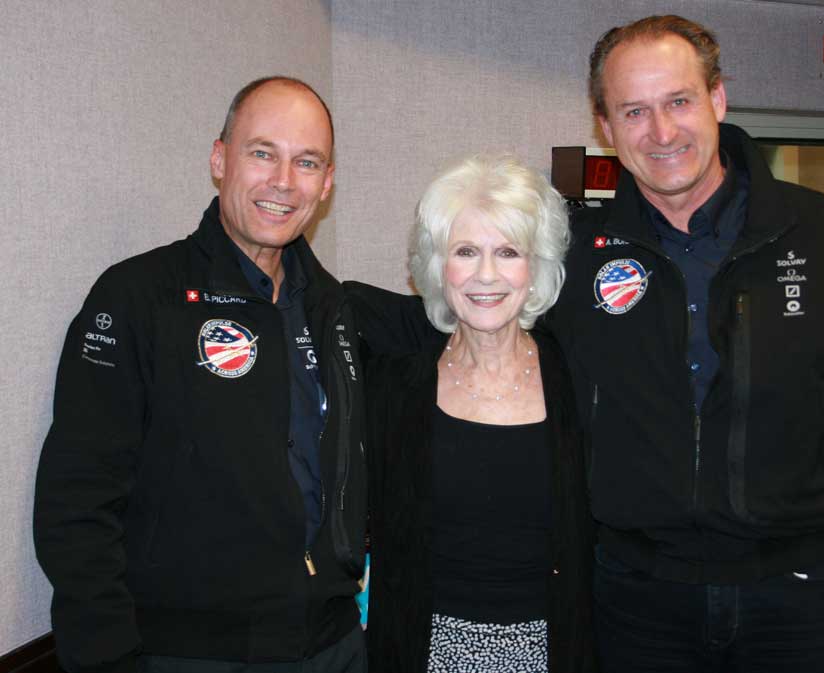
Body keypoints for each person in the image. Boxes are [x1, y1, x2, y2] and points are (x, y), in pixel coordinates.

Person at [541, 14, 824, 673]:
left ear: (718, 99)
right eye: (635, 111)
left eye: (679, 101)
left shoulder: (823, 233)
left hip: (799, 599)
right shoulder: (572, 258)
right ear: (606, 126)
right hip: (635, 600)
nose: (662, 131)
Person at [34, 77, 367, 673]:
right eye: (262, 153)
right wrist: (104, 653)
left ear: (328, 181)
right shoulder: (140, 297)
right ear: (219, 159)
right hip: (191, 652)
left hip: (332, 643)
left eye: (307, 161)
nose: (284, 181)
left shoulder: (332, 307)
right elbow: (77, 497)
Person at [361, 155, 595, 673]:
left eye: (508, 251)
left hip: (552, 650)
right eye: (465, 251)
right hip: (423, 650)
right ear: (437, 267)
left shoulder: (580, 381)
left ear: (536, 270)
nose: (486, 275)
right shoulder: (392, 386)